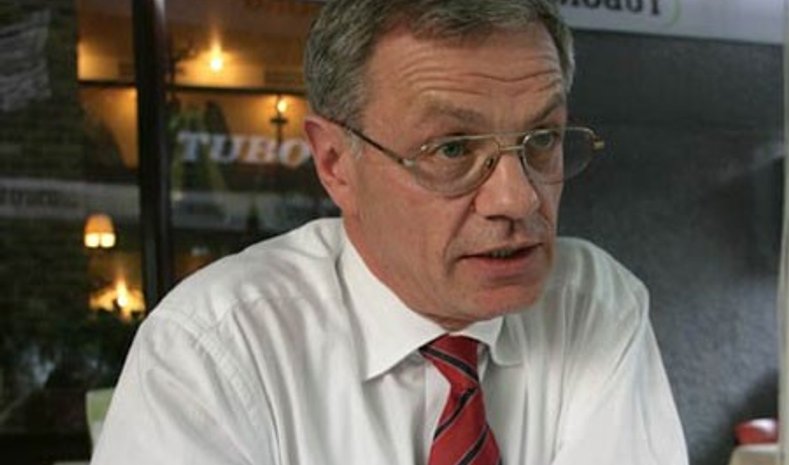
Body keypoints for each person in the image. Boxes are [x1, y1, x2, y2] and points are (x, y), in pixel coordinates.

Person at [90, 1, 688, 464]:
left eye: (542, 140)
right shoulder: (214, 348)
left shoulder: (592, 305)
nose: (518, 198)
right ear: (335, 164)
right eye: (451, 149)